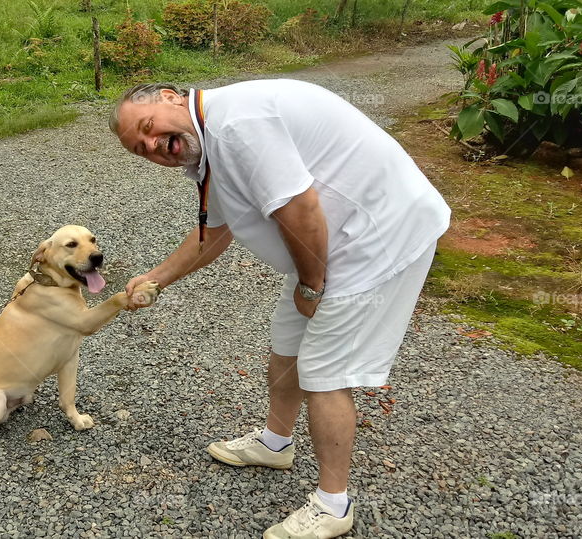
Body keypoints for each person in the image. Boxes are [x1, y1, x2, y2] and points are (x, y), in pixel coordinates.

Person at [110, 79, 450, 538]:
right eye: (141, 149)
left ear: (172, 97)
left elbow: (300, 207)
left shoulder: (236, 126)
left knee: (325, 372)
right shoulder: (212, 140)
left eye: (148, 128)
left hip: (374, 240)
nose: (152, 145)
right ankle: (276, 442)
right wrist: (156, 278)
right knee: (286, 346)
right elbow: (215, 231)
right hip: (327, 248)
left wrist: (311, 286)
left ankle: (333, 505)